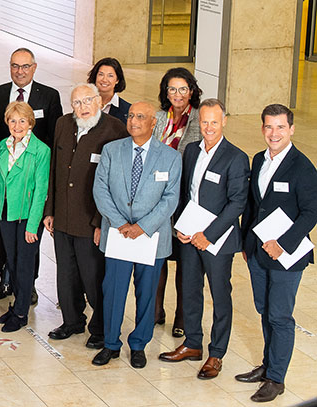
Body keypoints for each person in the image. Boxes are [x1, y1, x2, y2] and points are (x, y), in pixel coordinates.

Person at [158, 98, 249, 380]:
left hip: (216, 241)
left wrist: (207, 235)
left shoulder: (236, 157)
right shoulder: (191, 151)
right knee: (190, 290)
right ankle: (193, 343)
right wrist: (181, 227)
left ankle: (217, 353)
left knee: (220, 296)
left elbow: (237, 204)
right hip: (189, 236)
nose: (208, 127)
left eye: (214, 121)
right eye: (204, 121)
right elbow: (186, 193)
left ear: (224, 122)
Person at [91, 101, 181, 368]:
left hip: (151, 238)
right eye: (131, 116)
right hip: (118, 234)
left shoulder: (171, 157)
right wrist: (120, 223)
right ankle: (110, 344)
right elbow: (101, 190)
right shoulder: (111, 150)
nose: (133, 121)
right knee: (113, 291)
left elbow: (170, 199)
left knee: (147, 294)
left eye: (141, 117)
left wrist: (142, 227)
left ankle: (139, 344)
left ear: (154, 123)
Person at [237, 104, 317, 403]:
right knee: (264, 310)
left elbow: (311, 213)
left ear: (292, 129)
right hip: (258, 251)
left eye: (280, 127)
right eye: (269, 127)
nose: (274, 133)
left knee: (280, 316)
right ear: (262, 129)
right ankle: (268, 364)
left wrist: (282, 243)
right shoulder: (258, 160)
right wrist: (246, 243)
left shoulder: (303, 167)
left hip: (287, 256)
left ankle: (276, 378)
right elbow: (253, 206)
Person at [43, 83, 126, 349]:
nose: (83, 107)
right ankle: (72, 321)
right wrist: (50, 210)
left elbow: (116, 183)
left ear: (99, 101)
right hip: (63, 216)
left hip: (91, 220)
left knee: (93, 276)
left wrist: (102, 222)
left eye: (88, 100)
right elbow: (55, 170)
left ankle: (100, 329)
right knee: (66, 274)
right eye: (77, 103)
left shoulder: (114, 130)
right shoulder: (63, 124)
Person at [0, 48, 63, 303]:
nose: (20, 71)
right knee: (3, 239)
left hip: (31, 182)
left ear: (35, 67)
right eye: (15, 66)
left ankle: (28, 285)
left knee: (30, 242)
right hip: (6, 183)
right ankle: (4, 279)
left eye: (25, 66)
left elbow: (54, 136)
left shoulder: (49, 96)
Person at [152, 67, 203, 338]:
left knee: (185, 263)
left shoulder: (199, 118)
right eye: (172, 89)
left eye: (183, 89)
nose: (177, 94)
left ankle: (181, 316)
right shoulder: (159, 118)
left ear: (191, 91)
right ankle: (156, 311)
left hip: (187, 200)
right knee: (159, 258)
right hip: (160, 198)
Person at [0, 101, 49, 332]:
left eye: (22, 121)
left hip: (27, 217)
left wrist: (33, 225)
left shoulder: (41, 150)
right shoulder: (2, 146)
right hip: (6, 212)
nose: (17, 125)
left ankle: (21, 312)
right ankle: (16, 303)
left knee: (24, 265)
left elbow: (41, 190)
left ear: (31, 123)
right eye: (13, 120)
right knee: (12, 262)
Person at [87, 57, 130, 123]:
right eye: (101, 74)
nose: (104, 79)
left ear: (117, 80)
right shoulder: (84, 103)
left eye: (110, 76)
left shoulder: (127, 109)